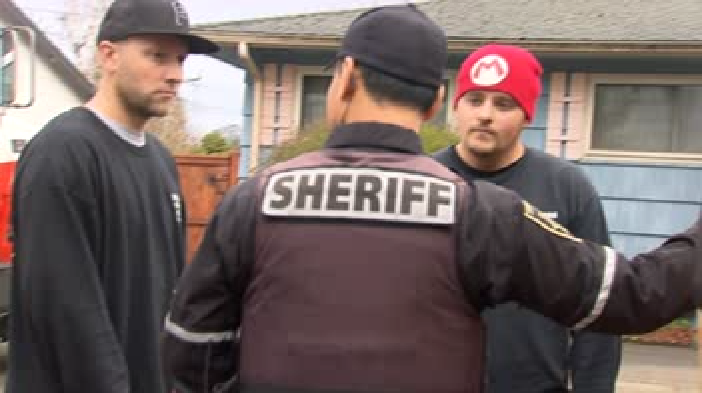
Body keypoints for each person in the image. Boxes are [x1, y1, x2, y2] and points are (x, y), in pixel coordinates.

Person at [162, 5, 702, 393]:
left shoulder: (254, 200)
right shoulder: (481, 212)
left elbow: (192, 350)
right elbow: (635, 296)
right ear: (440, 101)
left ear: (346, 76)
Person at [5, 0, 218, 392]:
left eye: (180, 60)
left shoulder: (160, 162)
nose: (173, 75)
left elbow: (169, 295)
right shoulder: (63, 153)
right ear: (109, 55)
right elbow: (66, 310)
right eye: (156, 56)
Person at [433, 44, 621, 393]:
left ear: (527, 114)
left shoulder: (566, 187)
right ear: (455, 107)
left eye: (503, 104)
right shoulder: (427, 182)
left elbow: (598, 306)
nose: (485, 115)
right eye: (475, 100)